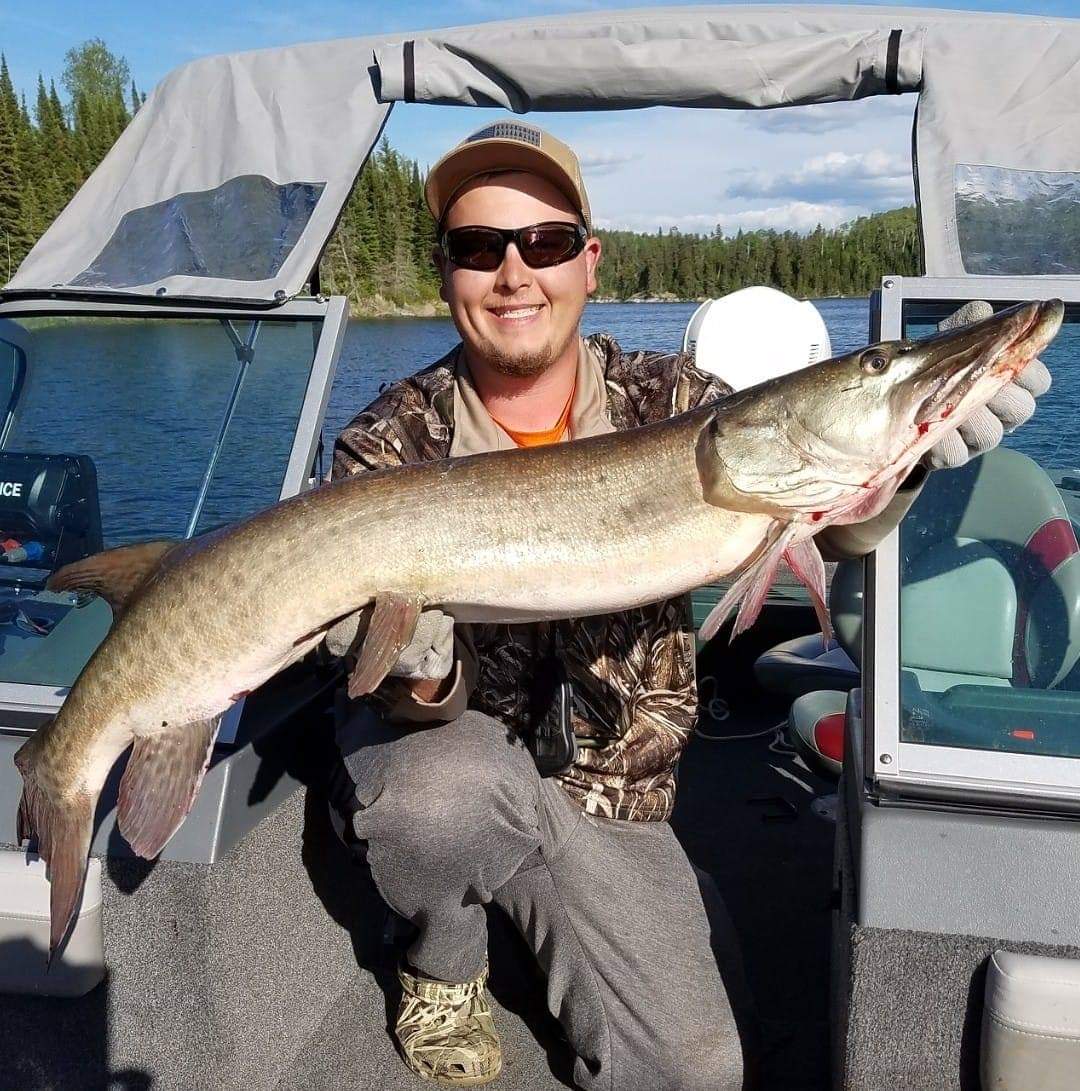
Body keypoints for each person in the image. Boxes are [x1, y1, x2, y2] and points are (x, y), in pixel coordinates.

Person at [325, 121, 1049, 1090]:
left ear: (588, 261)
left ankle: (633, 897)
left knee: (696, 1067)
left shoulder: (674, 401)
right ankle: (441, 956)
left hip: (614, 796)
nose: (512, 271)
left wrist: (908, 454)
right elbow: (394, 699)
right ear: (447, 271)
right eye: (476, 246)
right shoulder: (386, 444)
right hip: (456, 755)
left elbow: (826, 521)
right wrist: (418, 662)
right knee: (432, 799)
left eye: (542, 243)